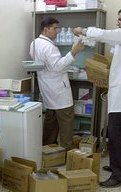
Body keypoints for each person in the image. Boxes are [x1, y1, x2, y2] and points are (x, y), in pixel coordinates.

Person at [73, 5, 121, 188]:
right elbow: (111, 53)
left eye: (120, 19)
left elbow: (107, 34)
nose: (118, 22)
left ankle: (120, 174)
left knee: (118, 136)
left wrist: (83, 30)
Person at [29, 17, 84, 149]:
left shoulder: (35, 43)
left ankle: (47, 149)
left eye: (58, 28)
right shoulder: (49, 47)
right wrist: (73, 52)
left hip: (47, 88)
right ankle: (66, 151)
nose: (57, 31)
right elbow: (57, 67)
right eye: (55, 28)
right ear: (45, 29)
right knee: (66, 121)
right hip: (59, 90)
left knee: (51, 120)